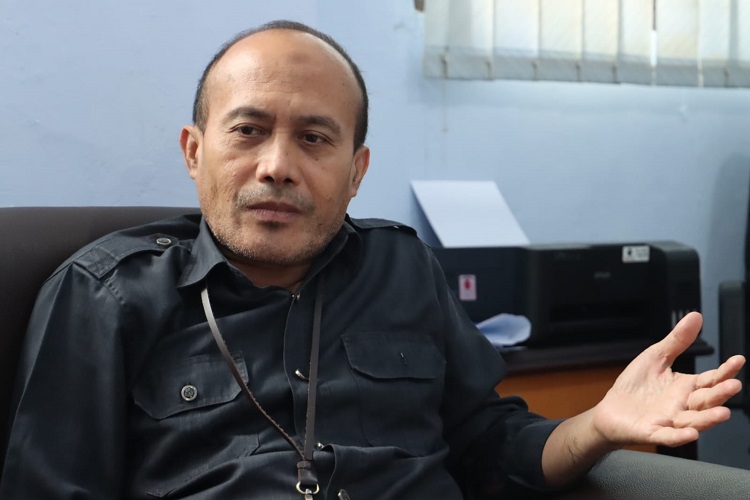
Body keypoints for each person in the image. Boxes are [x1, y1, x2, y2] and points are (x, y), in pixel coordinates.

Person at [0, 19, 745, 499]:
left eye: (314, 139)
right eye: (248, 131)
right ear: (195, 154)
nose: (277, 166)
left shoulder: (403, 268)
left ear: (356, 172)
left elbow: (488, 446)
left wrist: (600, 424)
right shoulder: (106, 294)